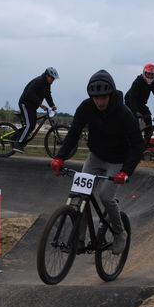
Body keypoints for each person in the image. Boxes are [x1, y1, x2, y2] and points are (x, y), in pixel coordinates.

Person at [50, 70, 143, 254]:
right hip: (95, 157)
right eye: (96, 98)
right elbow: (73, 134)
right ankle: (79, 239)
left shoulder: (123, 113)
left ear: (110, 95)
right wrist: (60, 157)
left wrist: (125, 172)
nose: (99, 101)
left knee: (106, 197)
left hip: (117, 160)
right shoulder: (86, 107)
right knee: (79, 193)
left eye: (103, 97)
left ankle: (119, 233)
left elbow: (138, 145)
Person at [13, 67, 59, 153]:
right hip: (25, 104)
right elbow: (29, 93)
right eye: (52, 78)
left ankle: (17, 137)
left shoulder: (47, 85)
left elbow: (48, 95)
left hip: (32, 107)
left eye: (54, 79)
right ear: (47, 76)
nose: (53, 81)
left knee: (32, 125)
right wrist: (40, 104)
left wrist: (52, 105)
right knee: (29, 125)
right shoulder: (39, 81)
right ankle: (17, 144)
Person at [124, 63, 154, 143]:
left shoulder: (153, 83)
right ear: (144, 73)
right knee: (134, 124)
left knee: (151, 121)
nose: (150, 76)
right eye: (148, 74)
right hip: (131, 103)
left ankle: (145, 144)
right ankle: (134, 142)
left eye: (152, 75)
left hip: (142, 104)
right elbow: (132, 98)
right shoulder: (138, 81)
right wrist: (135, 111)